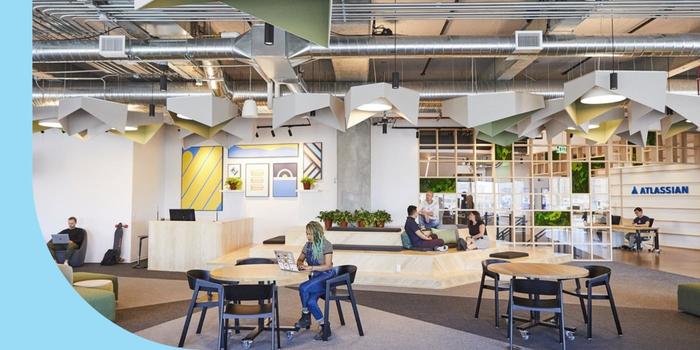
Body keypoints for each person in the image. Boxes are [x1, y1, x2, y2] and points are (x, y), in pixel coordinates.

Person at [294, 221, 336, 341]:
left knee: (303, 287)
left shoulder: (327, 245)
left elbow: (328, 266)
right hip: (314, 279)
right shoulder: (307, 246)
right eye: (307, 234)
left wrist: (311, 267)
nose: (308, 237)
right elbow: (299, 259)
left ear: (317, 233)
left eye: (311, 234)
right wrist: (300, 264)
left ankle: (305, 316)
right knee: (311, 302)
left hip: (326, 278)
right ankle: (325, 326)